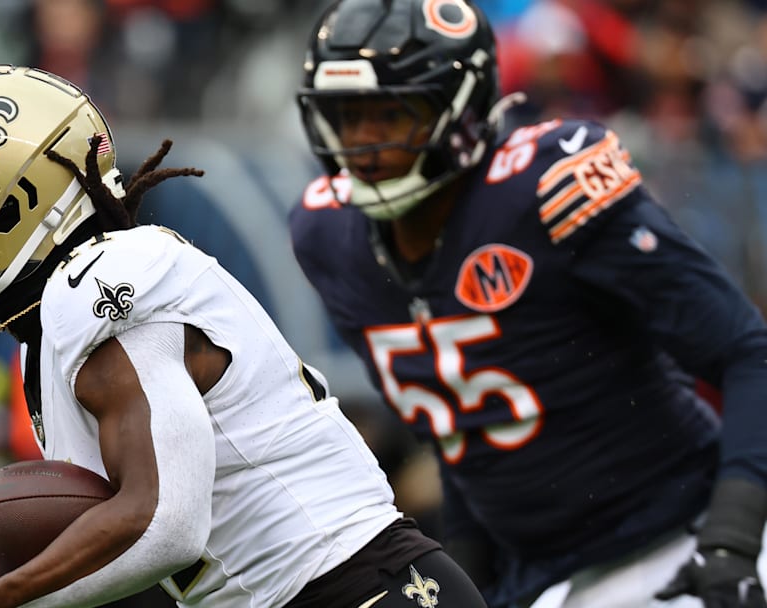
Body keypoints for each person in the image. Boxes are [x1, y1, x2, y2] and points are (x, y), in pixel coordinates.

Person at [0, 65, 487, 608]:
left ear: (12, 208)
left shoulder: (97, 283)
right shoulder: (51, 327)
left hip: (358, 586)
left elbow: (166, 523)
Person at [288, 1, 767, 607]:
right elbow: (459, 434)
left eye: (391, 113)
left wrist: (732, 539)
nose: (364, 144)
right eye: (346, 116)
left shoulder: (540, 191)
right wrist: (468, 574)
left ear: (460, 110)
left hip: (674, 543)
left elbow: (748, 351)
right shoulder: (327, 236)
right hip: (537, 576)